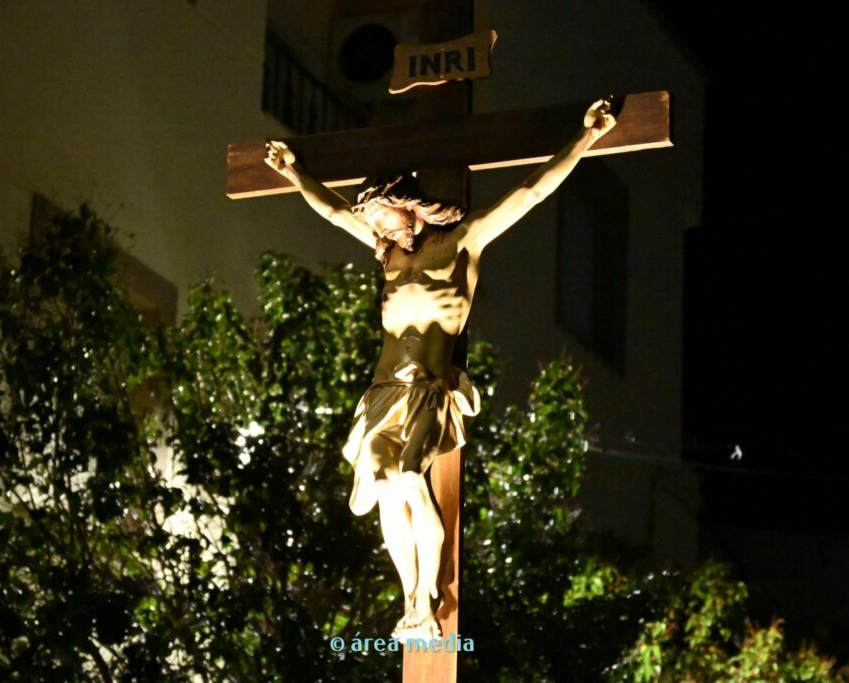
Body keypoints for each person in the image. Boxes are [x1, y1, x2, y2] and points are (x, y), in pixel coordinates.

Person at [263, 99, 617, 639]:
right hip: (382, 395)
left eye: (384, 217)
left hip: (430, 392)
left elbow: (531, 192)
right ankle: (409, 600)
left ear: (410, 208)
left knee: (410, 474)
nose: (378, 228)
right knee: (384, 485)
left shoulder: (460, 241)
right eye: (375, 222)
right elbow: (335, 212)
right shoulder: (387, 255)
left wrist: (585, 138)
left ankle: (427, 596)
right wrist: (294, 173)